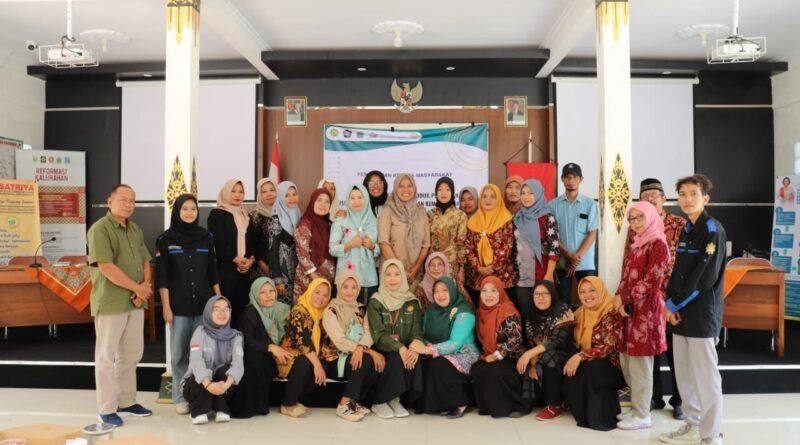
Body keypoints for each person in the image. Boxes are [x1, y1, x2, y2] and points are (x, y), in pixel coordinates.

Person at [659, 174, 726, 445]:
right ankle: (693, 425)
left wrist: (673, 304)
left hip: (701, 315)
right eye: (683, 194)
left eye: (693, 194)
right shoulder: (687, 228)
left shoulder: (712, 230)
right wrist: (669, 304)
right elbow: (678, 272)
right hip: (679, 314)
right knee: (685, 376)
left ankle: (711, 434)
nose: (687, 199)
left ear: (705, 198)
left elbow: (704, 277)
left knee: (706, 379)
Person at [87, 184, 153, 426]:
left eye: (132, 200)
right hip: (111, 301)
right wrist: (138, 288)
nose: (128, 204)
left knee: (131, 354)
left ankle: (126, 401)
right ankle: (106, 408)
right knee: (106, 357)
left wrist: (144, 289)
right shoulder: (99, 229)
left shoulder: (135, 229)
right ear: (109, 201)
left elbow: (145, 261)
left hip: (135, 303)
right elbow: (106, 266)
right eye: (123, 199)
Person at [623, 178, 687, 419]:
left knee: (676, 353)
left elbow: (685, 265)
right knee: (650, 352)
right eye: (644, 195)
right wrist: (623, 296)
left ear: (663, 197)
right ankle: (654, 398)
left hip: (671, 299)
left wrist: (677, 301)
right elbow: (628, 263)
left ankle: (680, 401)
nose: (649, 198)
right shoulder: (636, 227)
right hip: (645, 302)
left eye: (654, 194)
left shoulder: (678, 224)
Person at [155, 193, 221, 414]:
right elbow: (163, 277)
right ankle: (181, 396)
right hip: (179, 308)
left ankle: (200, 396)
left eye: (193, 208)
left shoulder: (206, 237)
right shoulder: (165, 240)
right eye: (185, 209)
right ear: (177, 211)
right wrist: (166, 307)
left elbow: (213, 272)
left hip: (203, 306)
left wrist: (218, 302)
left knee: (203, 354)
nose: (190, 212)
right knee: (178, 355)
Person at [614, 201, 669, 430]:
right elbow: (626, 276)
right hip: (629, 311)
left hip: (646, 313)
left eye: (639, 217)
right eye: (632, 219)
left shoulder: (658, 244)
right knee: (627, 361)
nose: (635, 223)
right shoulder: (638, 242)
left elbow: (652, 281)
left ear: (651, 217)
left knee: (641, 365)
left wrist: (625, 298)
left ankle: (642, 414)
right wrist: (618, 298)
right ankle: (637, 407)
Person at [323, 272, 388, 421]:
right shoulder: (331, 310)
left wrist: (360, 348)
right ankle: (344, 404)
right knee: (367, 358)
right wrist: (361, 350)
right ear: (339, 287)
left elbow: (368, 332)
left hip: (355, 356)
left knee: (376, 362)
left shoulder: (361, 309)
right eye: (345, 287)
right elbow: (339, 340)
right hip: (335, 359)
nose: (349, 291)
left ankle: (354, 401)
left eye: (354, 287)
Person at [562, 277, 625, 432]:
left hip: (613, 363)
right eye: (582, 292)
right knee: (572, 368)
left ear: (601, 291)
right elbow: (569, 337)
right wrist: (565, 325)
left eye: (592, 290)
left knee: (592, 369)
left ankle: (601, 416)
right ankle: (582, 413)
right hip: (590, 358)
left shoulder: (611, 311)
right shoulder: (580, 313)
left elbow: (608, 347)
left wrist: (580, 356)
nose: (587, 295)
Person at [411, 277, 479, 419]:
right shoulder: (431, 310)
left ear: (452, 291)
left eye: (445, 290)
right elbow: (424, 334)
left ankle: (460, 402)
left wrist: (428, 350)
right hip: (439, 352)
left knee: (438, 365)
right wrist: (423, 346)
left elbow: (456, 343)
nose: (440, 295)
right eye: (436, 291)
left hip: (463, 353)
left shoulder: (464, 313)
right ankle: (440, 404)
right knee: (424, 363)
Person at [367, 259, 425, 418]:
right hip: (384, 348)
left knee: (415, 358)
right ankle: (380, 401)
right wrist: (399, 347)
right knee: (394, 358)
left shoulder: (411, 301)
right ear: (382, 277)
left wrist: (415, 348)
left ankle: (395, 400)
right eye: (388, 275)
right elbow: (378, 334)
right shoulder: (376, 301)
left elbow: (417, 331)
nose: (392, 279)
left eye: (397, 274)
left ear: (403, 277)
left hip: (406, 347)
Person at [227, 278, 291, 419]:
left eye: (271, 291)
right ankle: (251, 406)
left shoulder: (283, 310)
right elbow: (247, 342)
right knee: (255, 359)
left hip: (275, 356)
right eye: (263, 292)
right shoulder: (250, 312)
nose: (268, 295)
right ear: (256, 294)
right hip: (256, 356)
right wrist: (270, 347)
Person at [277, 278, 337, 417]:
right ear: (310, 291)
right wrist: (317, 364)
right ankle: (287, 404)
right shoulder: (299, 310)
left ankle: (295, 399)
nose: (320, 298)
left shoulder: (321, 314)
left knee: (324, 365)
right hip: (287, 355)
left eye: (325, 295)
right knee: (306, 362)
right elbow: (302, 342)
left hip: (307, 355)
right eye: (317, 292)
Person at [470, 276, 529, 418]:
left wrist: (496, 355)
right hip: (490, 354)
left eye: (493, 290)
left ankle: (518, 406)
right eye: (484, 291)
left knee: (497, 370)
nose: (488, 295)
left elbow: (515, 340)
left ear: (501, 292)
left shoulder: (508, 311)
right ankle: (488, 407)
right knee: (478, 369)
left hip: (512, 356)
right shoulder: (480, 312)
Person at [517, 280, 575, 421]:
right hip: (541, 353)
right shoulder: (531, 313)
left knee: (549, 356)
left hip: (565, 355)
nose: (541, 298)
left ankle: (554, 406)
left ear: (553, 295)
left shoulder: (563, 310)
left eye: (545, 294)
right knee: (525, 361)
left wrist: (530, 354)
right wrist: (532, 364)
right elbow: (532, 342)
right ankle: (530, 402)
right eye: (537, 294)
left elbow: (556, 341)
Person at [181, 295, 244, 425]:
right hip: (199, 385)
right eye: (216, 309)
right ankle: (199, 410)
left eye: (226, 309)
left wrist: (225, 386)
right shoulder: (200, 332)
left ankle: (220, 408)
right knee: (200, 371)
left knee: (225, 371)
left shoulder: (236, 336)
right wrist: (209, 385)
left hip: (222, 387)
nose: (222, 313)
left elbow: (238, 364)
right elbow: (196, 361)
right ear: (209, 312)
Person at [513, 179, 560, 330]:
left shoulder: (547, 217)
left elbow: (554, 248)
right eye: (523, 193)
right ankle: (530, 344)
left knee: (545, 316)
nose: (526, 197)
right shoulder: (517, 218)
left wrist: (549, 274)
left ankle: (547, 344)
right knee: (527, 316)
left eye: (531, 193)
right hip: (522, 276)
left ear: (539, 194)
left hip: (542, 274)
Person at [548, 163, 599, 304]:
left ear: (581, 179)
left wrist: (576, 258)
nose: (571, 181)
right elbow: (552, 235)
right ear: (562, 179)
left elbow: (592, 233)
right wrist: (567, 255)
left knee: (590, 300)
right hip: (562, 263)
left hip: (585, 263)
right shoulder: (552, 205)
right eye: (567, 177)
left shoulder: (590, 204)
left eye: (575, 177)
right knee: (563, 302)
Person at [208, 179, 255, 327]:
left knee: (241, 316)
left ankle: (238, 341)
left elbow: (253, 243)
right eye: (233, 191)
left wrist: (251, 260)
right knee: (223, 315)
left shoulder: (246, 216)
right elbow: (218, 243)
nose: (237, 195)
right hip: (225, 274)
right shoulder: (217, 214)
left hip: (244, 274)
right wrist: (237, 259)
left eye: (241, 192)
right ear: (226, 193)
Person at [329, 184, 381, 304]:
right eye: (352, 198)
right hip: (346, 279)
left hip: (367, 277)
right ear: (347, 200)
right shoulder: (340, 221)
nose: (356, 201)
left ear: (366, 199)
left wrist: (372, 246)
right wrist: (350, 244)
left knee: (365, 312)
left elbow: (380, 249)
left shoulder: (373, 222)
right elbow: (332, 249)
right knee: (344, 313)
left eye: (360, 197)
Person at [465, 184, 515, 307]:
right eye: (485, 196)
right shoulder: (472, 221)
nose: (488, 200)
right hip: (478, 278)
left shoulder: (506, 219)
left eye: (492, 197)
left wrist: (491, 268)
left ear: (498, 199)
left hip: (502, 278)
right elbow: (468, 248)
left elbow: (507, 246)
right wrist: (479, 268)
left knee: (502, 312)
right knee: (481, 313)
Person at [378, 174, 431, 291]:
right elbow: (383, 243)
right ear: (395, 188)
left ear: (414, 188)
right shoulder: (388, 210)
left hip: (415, 275)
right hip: (392, 274)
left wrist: (415, 269)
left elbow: (426, 244)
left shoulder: (421, 211)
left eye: (409, 186)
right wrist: (400, 270)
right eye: (401, 186)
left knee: (414, 302)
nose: (405, 190)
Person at [294, 188, 336, 300]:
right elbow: (303, 256)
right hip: (310, 280)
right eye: (319, 200)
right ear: (312, 201)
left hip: (326, 281)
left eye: (327, 201)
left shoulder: (329, 224)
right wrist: (316, 279)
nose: (323, 204)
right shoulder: (305, 224)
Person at [427, 176, 468, 283]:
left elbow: (462, 244)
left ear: (452, 192)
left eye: (447, 189)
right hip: (433, 266)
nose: (443, 193)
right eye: (440, 189)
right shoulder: (429, 215)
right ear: (436, 193)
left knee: (451, 291)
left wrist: (462, 269)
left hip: (453, 266)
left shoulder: (460, 215)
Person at [267, 181, 301, 304]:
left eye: (294, 194)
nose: (292, 198)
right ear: (280, 197)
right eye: (287, 195)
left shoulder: (298, 215)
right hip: (283, 275)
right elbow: (272, 250)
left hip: (296, 273)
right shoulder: (276, 219)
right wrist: (278, 279)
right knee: (283, 308)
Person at [248, 177, 278, 278]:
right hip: (262, 267)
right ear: (259, 195)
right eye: (264, 192)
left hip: (284, 265)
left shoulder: (284, 213)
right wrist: (262, 264)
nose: (269, 194)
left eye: (272, 190)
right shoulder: (254, 216)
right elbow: (252, 243)